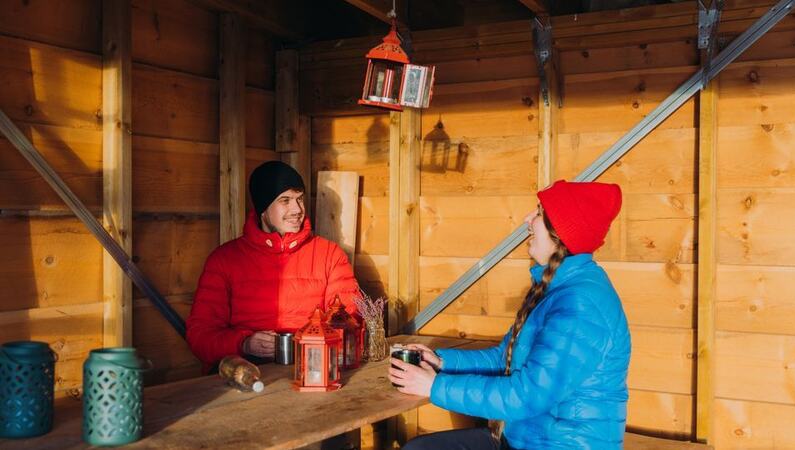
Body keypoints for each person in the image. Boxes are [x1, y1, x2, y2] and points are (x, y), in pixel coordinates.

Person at [389, 180, 631, 450]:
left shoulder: (581, 305)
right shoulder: (558, 289)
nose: (528, 218)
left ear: (560, 232)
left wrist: (434, 386)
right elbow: (503, 358)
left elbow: (527, 396)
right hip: (524, 440)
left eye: (539, 212)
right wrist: (442, 362)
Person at [187, 161, 361, 373]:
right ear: (263, 209)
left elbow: (349, 325)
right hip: (244, 373)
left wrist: (310, 346)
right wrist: (245, 343)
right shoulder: (224, 259)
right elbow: (200, 337)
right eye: (285, 200)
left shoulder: (329, 255)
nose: (297, 209)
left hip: (312, 370)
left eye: (299, 199)